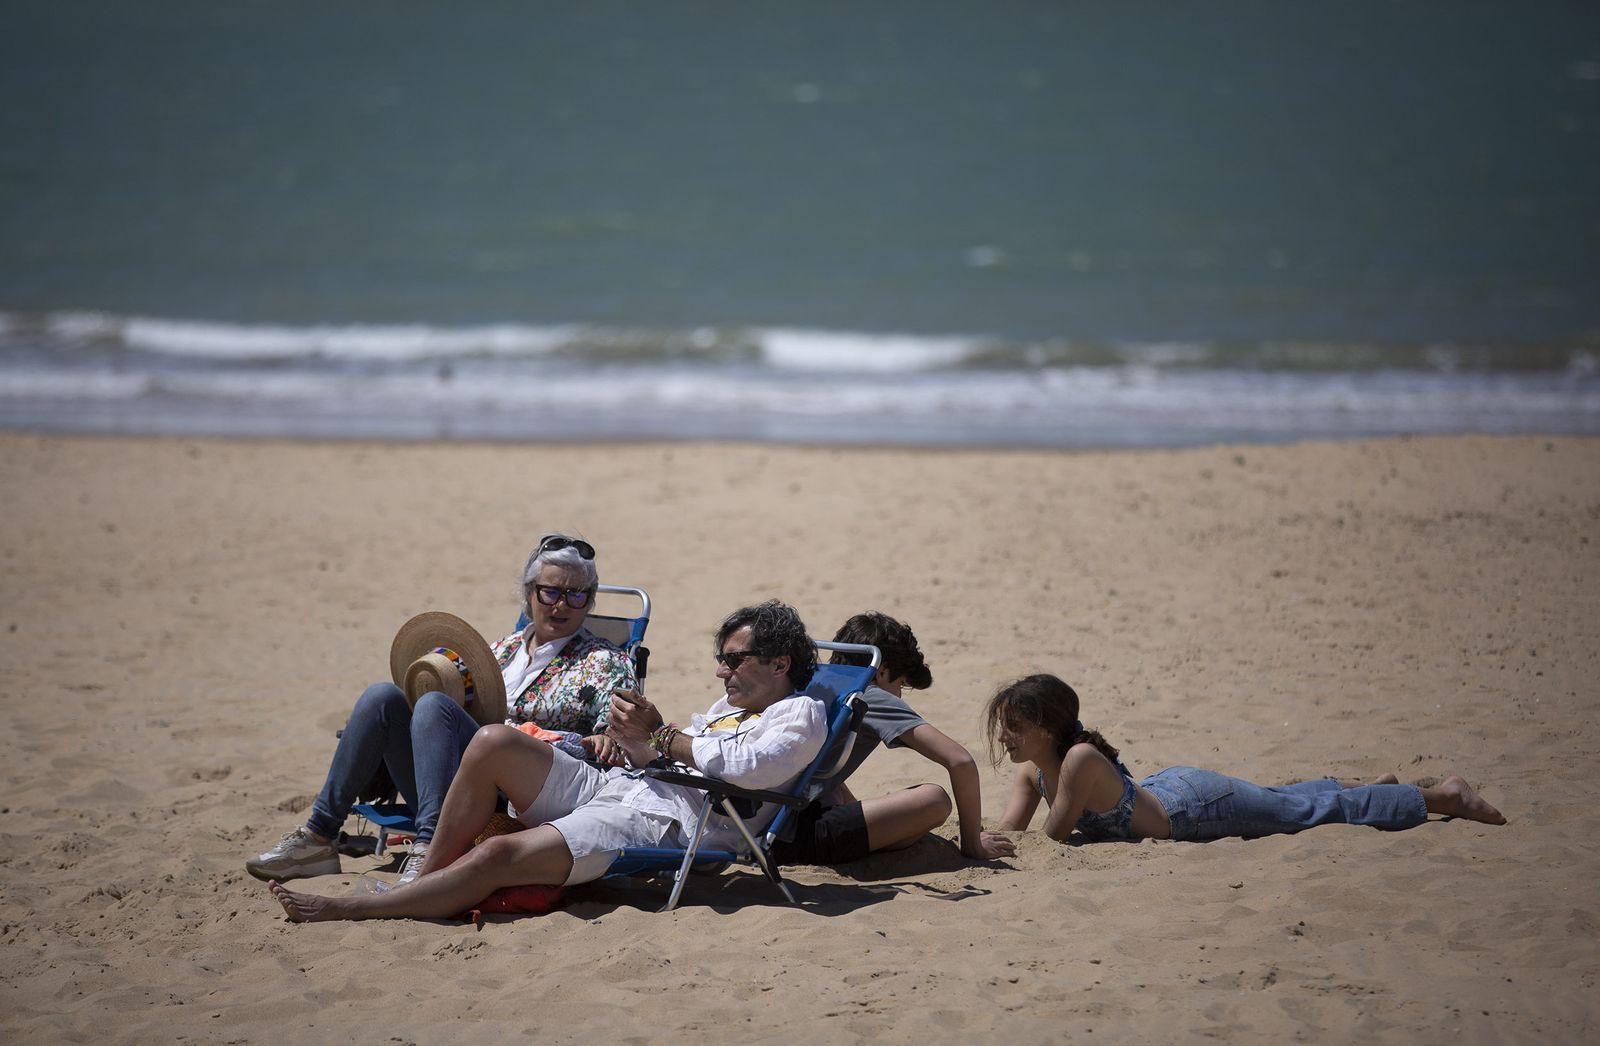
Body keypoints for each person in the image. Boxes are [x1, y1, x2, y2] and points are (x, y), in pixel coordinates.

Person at [268, 601, 826, 922]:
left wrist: (660, 735)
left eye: (732, 660)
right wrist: (629, 737)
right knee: (490, 740)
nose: (721, 672)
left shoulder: (800, 715)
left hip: (667, 823)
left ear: (779, 663)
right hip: (624, 783)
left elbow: (745, 769)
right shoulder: (726, 708)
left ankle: (363, 910)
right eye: (720, 660)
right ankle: (429, 873)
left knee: (504, 852)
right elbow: (665, 754)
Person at [246, 533, 635, 885]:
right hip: (452, 783)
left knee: (434, 706)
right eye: (550, 592)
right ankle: (318, 836)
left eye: (577, 594)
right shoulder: (497, 653)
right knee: (383, 698)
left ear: (590, 600)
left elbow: (612, 749)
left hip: (518, 796)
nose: (561, 605)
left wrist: (542, 738)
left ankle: (430, 848)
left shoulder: (605, 661)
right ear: (529, 593)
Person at [986, 673, 1505, 844]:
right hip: (1173, 791)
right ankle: (1377, 786)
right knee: (1284, 801)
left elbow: (1049, 842)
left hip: (1197, 808)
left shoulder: (1076, 761)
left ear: (1049, 729)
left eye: (1016, 727)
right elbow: (1013, 837)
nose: (1007, 738)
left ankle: (1444, 796)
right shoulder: (1035, 772)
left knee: (1301, 815)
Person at [709, 611, 1015, 864]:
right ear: (881, 672)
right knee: (934, 801)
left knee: (903, 826)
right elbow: (960, 760)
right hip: (789, 836)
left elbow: (824, 769)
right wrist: (972, 841)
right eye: (902, 685)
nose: (899, 695)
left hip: (760, 820)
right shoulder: (868, 695)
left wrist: (855, 812)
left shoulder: (813, 682)